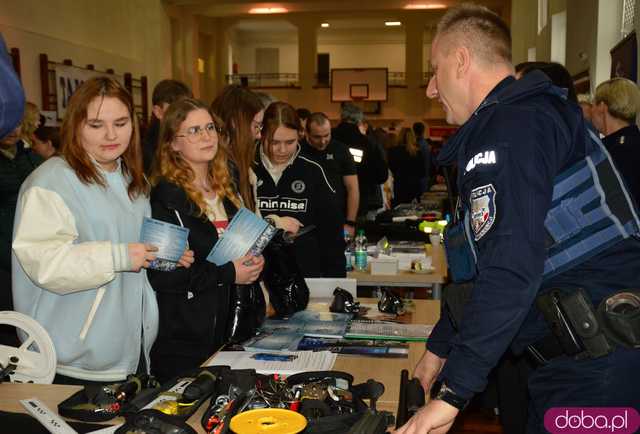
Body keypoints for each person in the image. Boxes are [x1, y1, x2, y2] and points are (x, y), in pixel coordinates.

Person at [395, 4, 640, 434]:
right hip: (583, 364)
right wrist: (439, 349)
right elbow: (487, 265)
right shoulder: (524, 120)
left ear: (461, 60)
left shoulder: (510, 130)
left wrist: (454, 394)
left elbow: (510, 267)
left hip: (599, 368)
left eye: (435, 71)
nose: (432, 89)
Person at [12, 76, 193, 385]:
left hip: (133, 354)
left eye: (121, 123)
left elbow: (132, 253)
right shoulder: (50, 182)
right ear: (75, 126)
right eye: (96, 125)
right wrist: (120, 256)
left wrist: (159, 256)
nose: (111, 135)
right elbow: (45, 264)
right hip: (72, 362)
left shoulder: (131, 179)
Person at [148, 98, 264, 381]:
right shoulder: (166, 198)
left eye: (210, 127)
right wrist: (229, 273)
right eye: (194, 131)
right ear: (173, 144)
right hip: (185, 343)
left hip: (233, 332)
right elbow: (164, 278)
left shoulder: (227, 189)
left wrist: (255, 260)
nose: (206, 136)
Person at [254, 102, 344, 277]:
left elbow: (332, 236)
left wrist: (336, 282)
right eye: (274, 142)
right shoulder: (246, 168)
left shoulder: (313, 170)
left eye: (290, 142)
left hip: (304, 272)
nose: (282, 150)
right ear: (261, 134)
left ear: (300, 136)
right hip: (256, 273)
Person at [302, 112, 359, 237]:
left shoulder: (341, 150)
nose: (323, 141)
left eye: (326, 135)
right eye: (317, 137)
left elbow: (352, 188)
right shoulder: (298, 150)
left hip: (335, 219)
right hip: (305, 220)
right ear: (307, 133)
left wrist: (350, 223)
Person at [211, 85, 264, 211]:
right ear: (235, 123)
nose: (259, 135)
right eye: (256, 126)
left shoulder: (233, 163)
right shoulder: (219, 168)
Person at [332, 103, 388, 219]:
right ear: (359, 120)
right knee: (357, 233)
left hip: (330, 199)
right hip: (362, 200)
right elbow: (382, 175)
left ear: (342, 117)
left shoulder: (328, 139)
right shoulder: (368, 143)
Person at [590, 77, 640, 202]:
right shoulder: (633, 142)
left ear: (602, 107)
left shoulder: (616, 152)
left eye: (593, 104)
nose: (591, 111)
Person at [143, 79, 192, 173]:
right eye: (175, 109)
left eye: (187, 108)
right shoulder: (148, 152)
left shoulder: (189, 136)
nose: (183, 115)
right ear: (158, 112)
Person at [387, 127, 425, 206]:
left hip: (398, 187)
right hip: (414, 187)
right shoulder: (417, 153)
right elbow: (422, 172)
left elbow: (390, 170)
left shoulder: (392, 151)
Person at [413, 121, 431, 193]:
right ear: (423, 131)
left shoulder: (414, 145)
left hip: (418, 176)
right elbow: (427, 162)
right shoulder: (425, 144)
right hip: (424, 175)